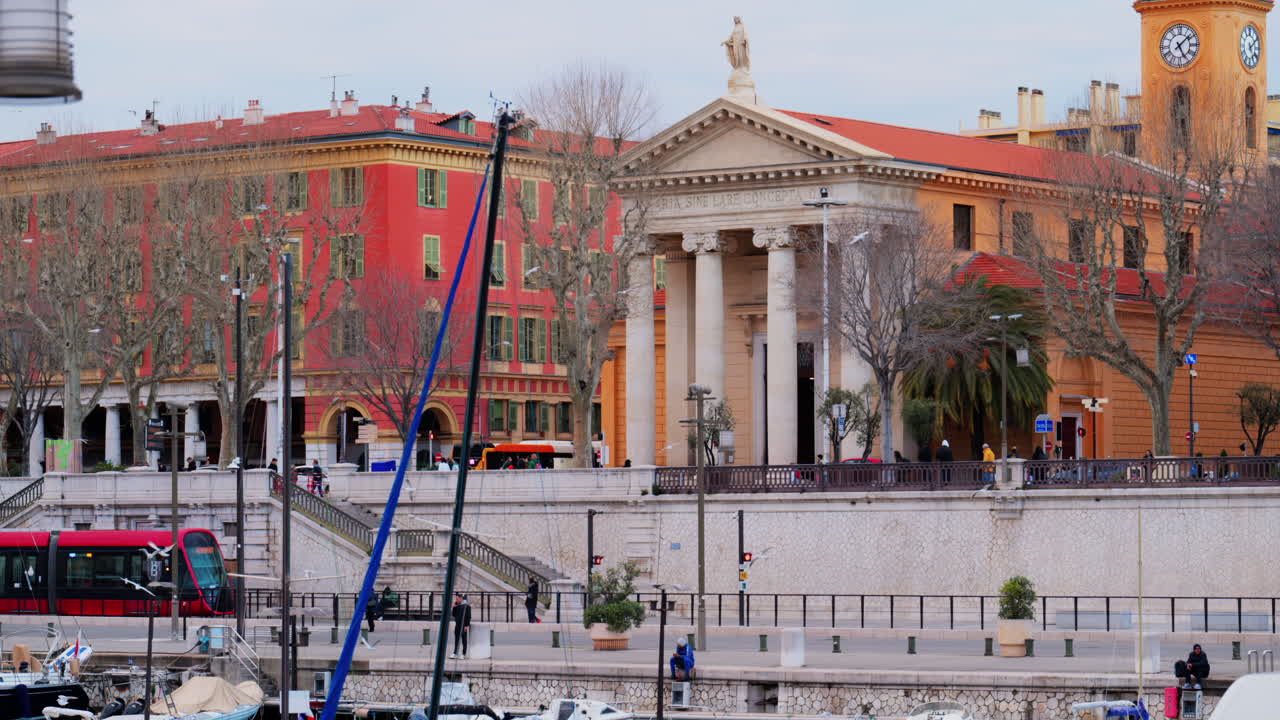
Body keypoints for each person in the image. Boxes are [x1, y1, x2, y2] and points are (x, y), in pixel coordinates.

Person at [449, 594, 471, 659]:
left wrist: (467, 625)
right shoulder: (457, 606)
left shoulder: (467, 606)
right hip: (457, 624)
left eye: (457, 599)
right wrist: (454, 607)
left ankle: (463, 654)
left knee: (464, 639)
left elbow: (468, 616)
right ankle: (455, 653)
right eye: (456, 599)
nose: (456, 600)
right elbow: (454, 615)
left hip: (464, 625)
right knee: (457, 639)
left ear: (461, 598)